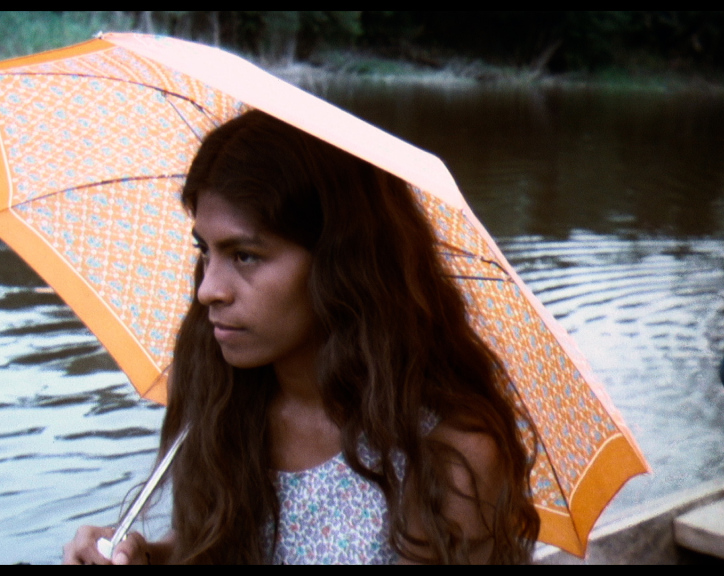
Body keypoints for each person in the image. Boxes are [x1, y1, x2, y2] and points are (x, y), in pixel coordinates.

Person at [63, 110, 540, 565]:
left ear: (341, 265)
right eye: (205, 251)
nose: (208, 289)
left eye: (245, 255)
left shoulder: (447, 456)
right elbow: (215, 543)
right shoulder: (228, 401)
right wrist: (146, 555)